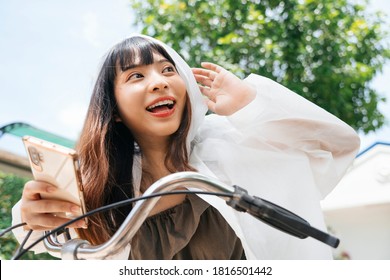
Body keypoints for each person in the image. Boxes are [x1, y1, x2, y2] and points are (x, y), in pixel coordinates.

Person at [12, 34, 360, 260]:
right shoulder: (100, 184)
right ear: (114, 111)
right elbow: (44, 237)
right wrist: (31, 220)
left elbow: (336, 145)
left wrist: (250, 105)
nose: (159, 82)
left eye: (168, 69)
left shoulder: (230, 142)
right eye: (136, 76)